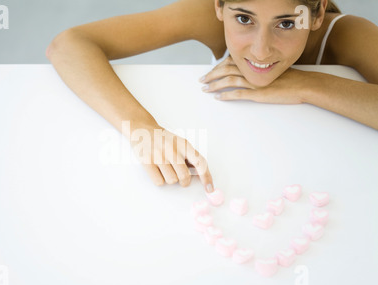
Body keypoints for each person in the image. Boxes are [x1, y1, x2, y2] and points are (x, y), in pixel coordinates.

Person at [46, 0, 378, 193]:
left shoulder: (348, 34)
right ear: (219, 7)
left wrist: (307, 85)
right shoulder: (204, 13)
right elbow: (69, 44)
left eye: (287, 24)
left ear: (317, 14)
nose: (261, 50)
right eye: (244, 19)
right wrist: (143, 129)